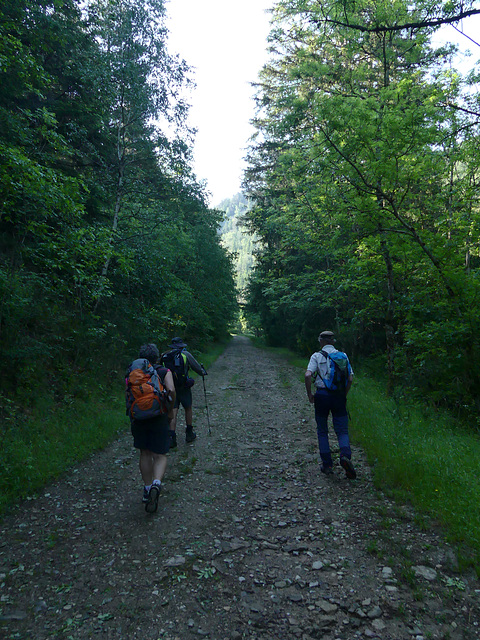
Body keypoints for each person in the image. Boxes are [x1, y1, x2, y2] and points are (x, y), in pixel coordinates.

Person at [128, 343, 176, 512]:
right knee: (160, 454)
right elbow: (170, 390)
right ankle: (156, 483)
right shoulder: (163, 371)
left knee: (145, 453)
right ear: (157, 357)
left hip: (139, 418)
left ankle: (147, 489)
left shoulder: (134, 373)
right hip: (158, 416)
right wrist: (170, 412)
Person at [305, 330, 356, 479]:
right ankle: (345, 456)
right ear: (332, 341)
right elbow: (351, 378)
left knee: (322, 430)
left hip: (321, 396)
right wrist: (343, 394)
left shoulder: (316, 356)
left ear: (321, 341)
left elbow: (308, 375)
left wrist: (310, 394)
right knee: (342, 431)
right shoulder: (343, 356)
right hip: (339, 397)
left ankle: (327, 465)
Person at [161, 337, 207, 447]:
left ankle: (172, 437)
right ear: (182, 345)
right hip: (184, 387)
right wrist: (203, 372)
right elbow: (196, 367)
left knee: (173, 410)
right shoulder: (185, 354)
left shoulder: (165, 355)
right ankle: (189, 433)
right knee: (188, 407)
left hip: (170, 387)